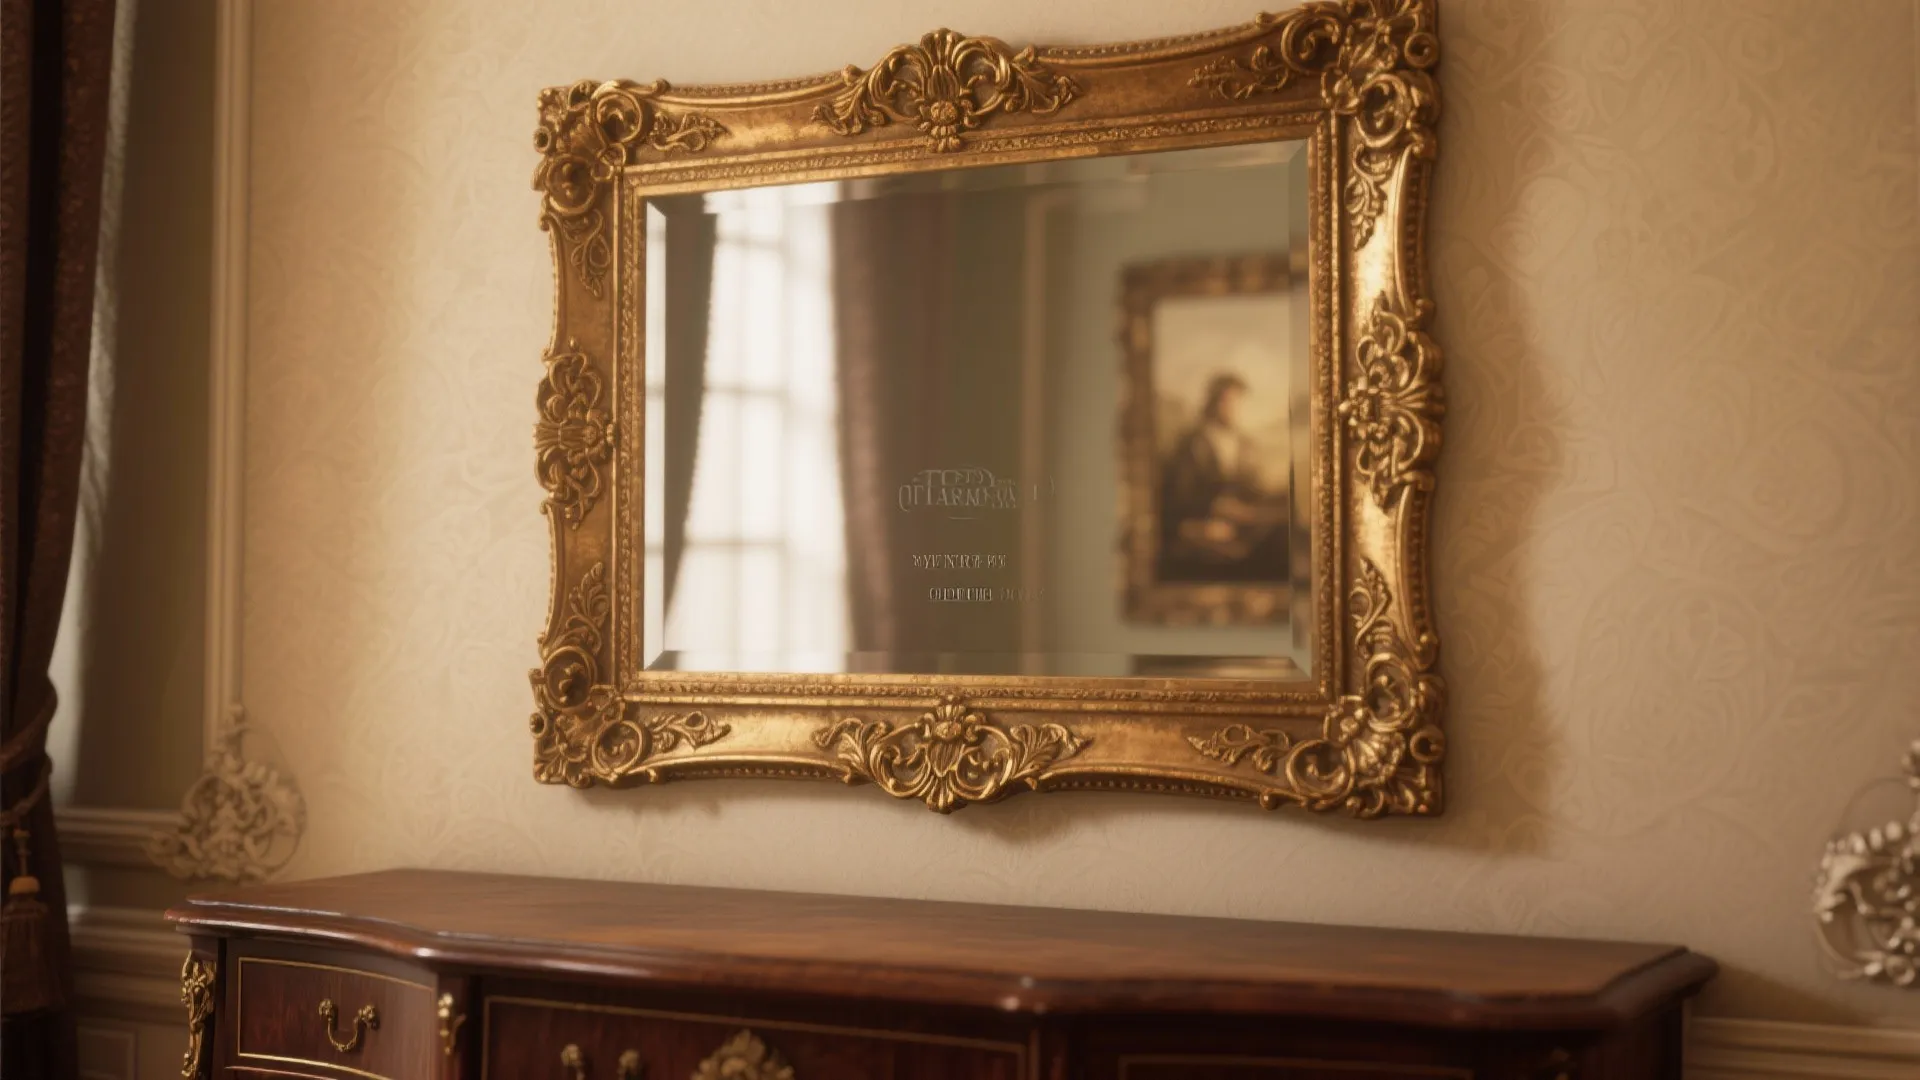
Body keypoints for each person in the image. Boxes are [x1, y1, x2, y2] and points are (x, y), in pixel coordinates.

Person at [1156, 372, 1287, 583]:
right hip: (1203, 529)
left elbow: (1250, 489)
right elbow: (1179, 499)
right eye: (1228, 401)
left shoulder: (1243, 443)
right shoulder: (1192, 443)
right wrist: (1206, 521)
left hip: (1241, 525)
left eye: (1238, 402)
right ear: (1213, 402)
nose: (1234, 408)